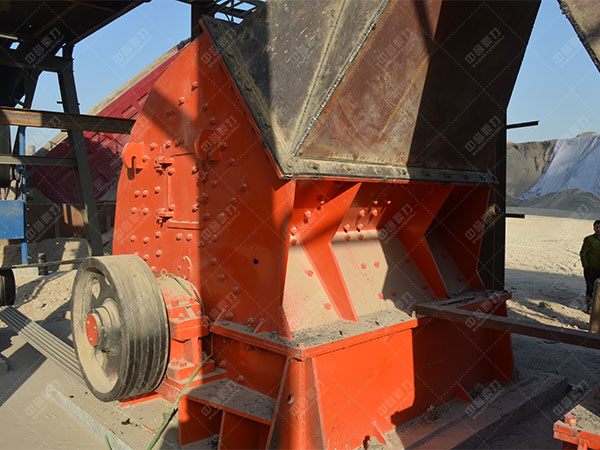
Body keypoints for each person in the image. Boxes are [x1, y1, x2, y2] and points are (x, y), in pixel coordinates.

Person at [580, 220, 600, 313]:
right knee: (590, 288)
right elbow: (583, 253)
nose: (598, 229)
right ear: (593, 228)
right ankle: (590, 307)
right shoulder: (589, 239)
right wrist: (586, 266)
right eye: (596, 227)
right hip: (591, 269)